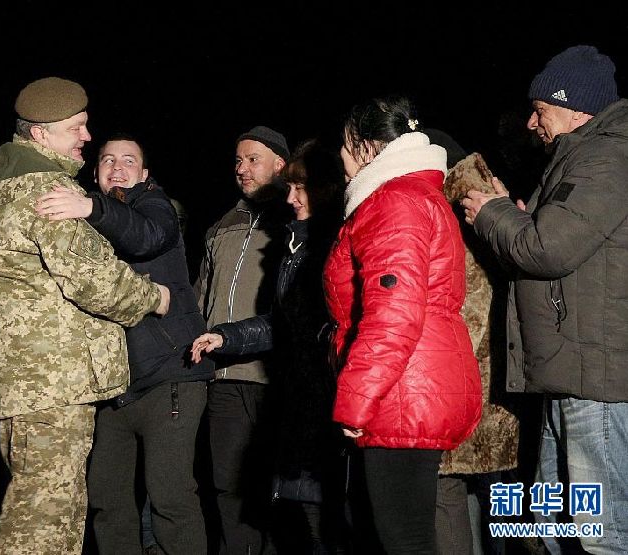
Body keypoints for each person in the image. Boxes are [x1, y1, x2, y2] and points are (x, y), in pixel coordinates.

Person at [0, 78, 170, 555]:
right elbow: (94, 280)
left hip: (27, 382)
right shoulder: (44, 189)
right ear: (41, 134)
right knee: (45, 524)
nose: (87, 136)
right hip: (53, 382)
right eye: (76, 128)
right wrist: (153, 297)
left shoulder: (6, 185)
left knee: (36, 509)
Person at [462, 45, 628, 554]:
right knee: (549, 525)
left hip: (594, 380)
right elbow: (545, 243)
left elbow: (547, 249)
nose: (532, 122)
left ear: (576, 108)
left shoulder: (607, 157)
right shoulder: (577, 158)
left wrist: (493, 213)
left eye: (541, 109)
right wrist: (512, 216)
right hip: (568, 373)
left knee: (600, 533)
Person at [35, 133, 214, 554]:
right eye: (108, 160)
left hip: (170, 375)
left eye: (128, 160)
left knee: (170, 498)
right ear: (95, 171)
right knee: (107, 498)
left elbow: (145, 235)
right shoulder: (84, 219)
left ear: (145, 173)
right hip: (114, 387)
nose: (117, 168)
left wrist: (90, 207)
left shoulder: (153, 205)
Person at [324, 95, 481, 554]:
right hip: (410, 384)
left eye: (344, 145)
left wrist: (356, 400)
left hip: (402, 392)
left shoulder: (394, 200)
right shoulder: (412, 194)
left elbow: (393, 313)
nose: (339, 157)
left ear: (366, 146)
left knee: (403, 540)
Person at [191, 138, 347, 553]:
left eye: (300, 188)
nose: (291, 197)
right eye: (237, 159)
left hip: (319, 394)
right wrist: (226, 336)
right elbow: (284, 320)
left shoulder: (333, 240)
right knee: (284, 505)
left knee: (320, 516)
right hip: (285, 391)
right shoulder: (287, 242)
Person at [195, 125, 291, 554]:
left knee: (278, 488)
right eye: (238, 160)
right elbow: (201, 296)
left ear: (280, 164)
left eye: (253, 159)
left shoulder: (294, 218)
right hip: (224, 377)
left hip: (275, 377)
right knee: (226, 486)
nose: (242, 168)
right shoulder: (222, 224)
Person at [426, 129, 520, 555]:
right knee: (479, 497)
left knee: (492, 499)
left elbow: (485, 292)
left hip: (479, 378)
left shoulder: (467, 194)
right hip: (477, 378)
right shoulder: (456, 195)